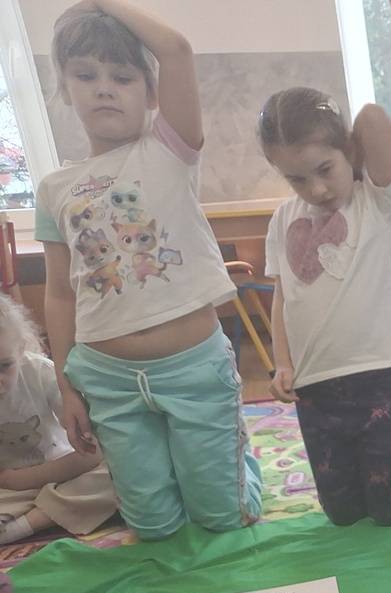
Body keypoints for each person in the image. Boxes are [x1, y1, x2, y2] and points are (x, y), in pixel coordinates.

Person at [36, 0, 261, 541]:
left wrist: (96, 3)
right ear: (64, 88)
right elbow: (60, 294)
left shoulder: (168, 149)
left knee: (223, 518)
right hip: (107, 379)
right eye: (84, 75)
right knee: (154, 527)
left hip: (193, 370)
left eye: (122, 77)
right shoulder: (54, 188)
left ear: (151, 93)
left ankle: (233, 459)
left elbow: (176, 49)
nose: (104, 89)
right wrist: (68, 387)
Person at [258, 89, 391, 527]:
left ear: (347, 149)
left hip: (378, 381)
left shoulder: (376, 202)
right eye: (297, 179)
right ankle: (386, 475)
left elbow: (375, 119)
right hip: (315, 390)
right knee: (343, 515)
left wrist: (352, 150)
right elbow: (283, 297)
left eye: (325, 169)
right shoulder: (284, 219)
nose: (317, 189)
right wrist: (282, 362)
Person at [0, 293, 117, 546]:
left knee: (121, 470)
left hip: (64, 474)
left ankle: (23, 525)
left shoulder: (41, 372)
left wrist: (22, 479)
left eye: (4, 366)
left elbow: (94, 452)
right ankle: (54, 511)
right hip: (8, 491)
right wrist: (12, 483)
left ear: (20, 349)